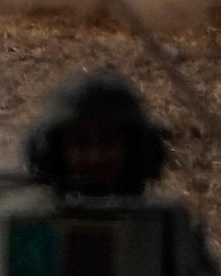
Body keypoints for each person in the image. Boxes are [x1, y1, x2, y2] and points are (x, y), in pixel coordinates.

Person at [20, 73, 169, 200]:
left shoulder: (166, 226)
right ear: (53, 153)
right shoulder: (27, 226)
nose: (95, 157)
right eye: (81, 143)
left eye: (108, 142)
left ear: (134, 150)